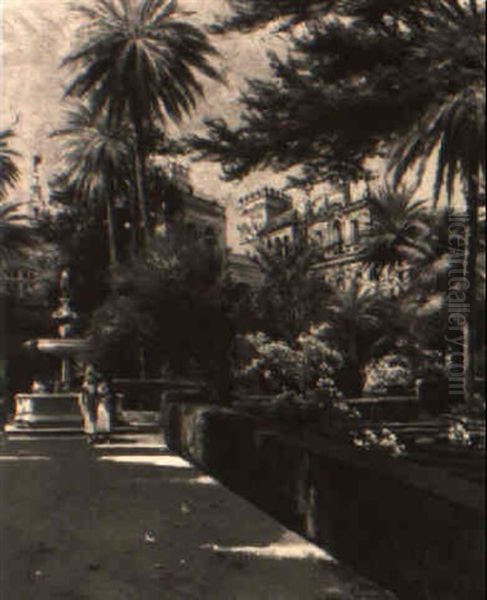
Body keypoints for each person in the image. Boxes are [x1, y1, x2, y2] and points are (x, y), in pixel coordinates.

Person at [79, 364, 98, 444]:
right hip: (89, 402)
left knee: (92, 418)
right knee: (89, 418)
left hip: (91, 402)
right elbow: (83, 394)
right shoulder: (87, 384)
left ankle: (92, 435)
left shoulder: (92, 384)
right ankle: (91, 435)